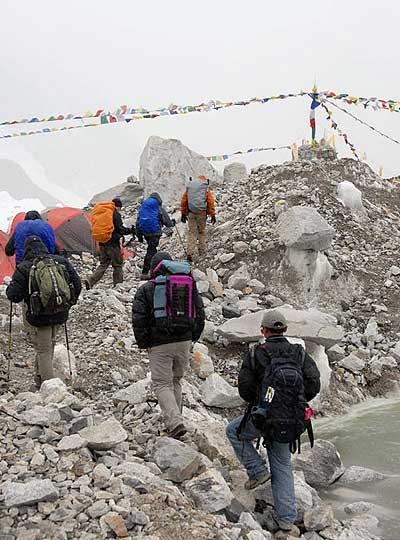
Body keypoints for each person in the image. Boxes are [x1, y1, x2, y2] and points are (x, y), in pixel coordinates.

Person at [225, 310, 321, 537]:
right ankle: (287, 521)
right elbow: (314, 383)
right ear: (285, 330)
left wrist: (263, 404)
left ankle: (257, 470)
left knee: (234, 432)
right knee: (282, 464)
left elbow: (245, 389)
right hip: (292, 418)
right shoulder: (298, 353)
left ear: (264, 331)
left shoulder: (256, 353)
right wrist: (292, 401)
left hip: (263, 415)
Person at [132, 251, 205, 439]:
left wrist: (144, 342)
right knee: (175, 381)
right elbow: (199, 312)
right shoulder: (187, 285)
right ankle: (175, 420)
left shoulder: (147, 289)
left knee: (162, 384)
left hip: (159, 343)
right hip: (184, 341)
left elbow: (139, 319)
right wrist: (193, 337)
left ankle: (175, 423)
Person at [6, 236, 82, 389]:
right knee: (50, 344)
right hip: (60, 311)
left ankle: (50, 388)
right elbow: (77, 283)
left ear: (27, 250)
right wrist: (69, 302)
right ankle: (39, 377)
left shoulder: (24, 267)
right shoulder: (60, 261)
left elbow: (13, 295)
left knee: (44, 349)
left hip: (39, 315)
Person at [85, 197, 134, 289]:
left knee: (103, 264)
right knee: (117, 265)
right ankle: (118, 285)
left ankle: (90, 280)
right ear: (118, 206)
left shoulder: (103, 212)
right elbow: (120, 229)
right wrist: (130, 230)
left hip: (102, 242)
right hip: (113, 244)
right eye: (120, 208)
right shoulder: (114, 214)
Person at [136, 192, 175, 280]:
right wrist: (172, 223)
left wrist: (139, 236)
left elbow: (138, 222)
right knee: (151, 251)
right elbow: (167, 223)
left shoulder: (143, 208)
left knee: (151, 250)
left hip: (145, 233)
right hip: (155, 232)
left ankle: (151, 271)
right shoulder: (158, 208)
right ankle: (146, 273)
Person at [180, 175, 216, 262]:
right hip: (202, 213)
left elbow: (184, 200)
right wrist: (213, 214)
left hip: (191, 213)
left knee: (192, 233)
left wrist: (183, 213)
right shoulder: (205, 188)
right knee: (201, 232)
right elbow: (210, 201)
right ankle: (202, 252)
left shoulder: (190, 188)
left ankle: (190, 253)